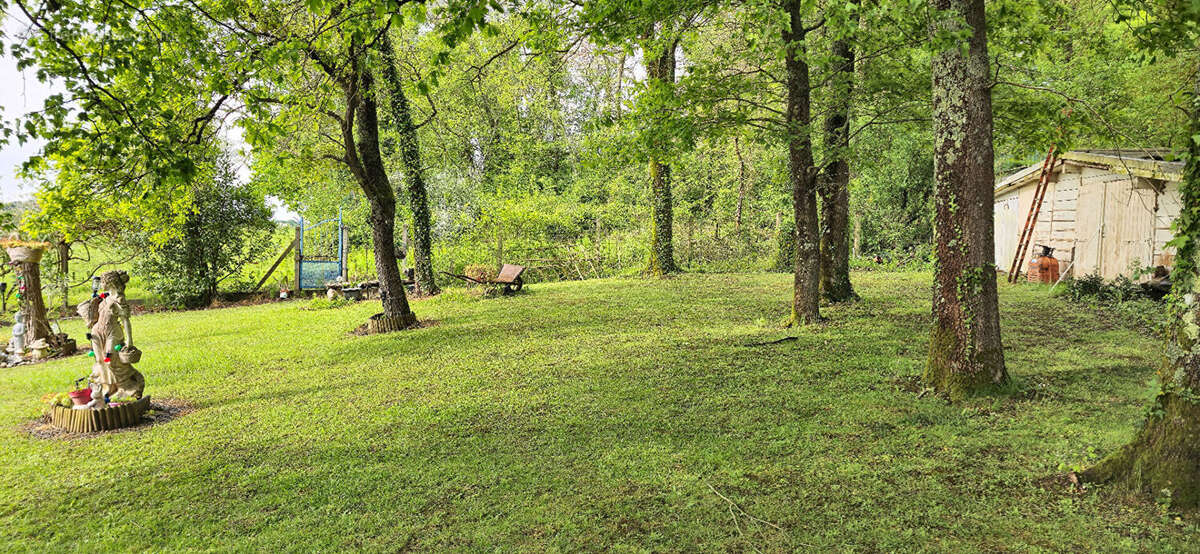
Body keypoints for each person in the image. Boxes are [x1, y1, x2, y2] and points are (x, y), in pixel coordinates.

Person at [78, 270, 143, 405]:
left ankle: (130, 387)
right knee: (99, 361)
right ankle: (105, 390)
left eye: (103, 281)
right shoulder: (104, 297)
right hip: (97, 332)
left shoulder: (119, 299)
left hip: (112, 332)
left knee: (111, 359)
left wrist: (130, 341)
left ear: (110, 282)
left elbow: (125, 320)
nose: (101, 284)